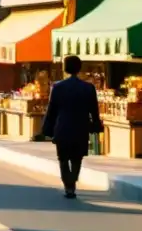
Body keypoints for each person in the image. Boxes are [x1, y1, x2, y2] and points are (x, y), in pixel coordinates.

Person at [41, 55, 103, 199]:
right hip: (81, 127)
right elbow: (94, 110)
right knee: (77, 158)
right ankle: (72, 182)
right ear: (79, 68)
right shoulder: (88, 88)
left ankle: (68, 185)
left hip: (62, 127)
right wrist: (96, 125)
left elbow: (51, 110)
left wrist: (46, 129)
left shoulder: (57, 87)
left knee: (63, 158)